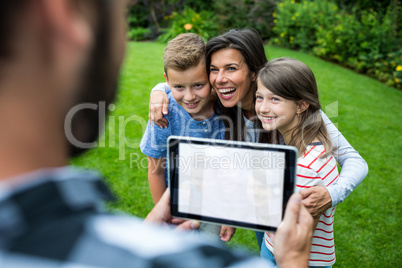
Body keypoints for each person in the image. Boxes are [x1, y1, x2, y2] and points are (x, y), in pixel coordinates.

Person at [0, 0, 314, 267]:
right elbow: (157, 159)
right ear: (62, 17)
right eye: (122, 14)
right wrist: (295, 261)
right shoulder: (195, 259)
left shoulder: (227, 103)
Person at [149, 28, 368, 248]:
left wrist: (332, 194)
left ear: (254, 71)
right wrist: (158, 90)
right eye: (214, 70)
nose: (220, 79)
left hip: (295, 214)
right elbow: (181, 84)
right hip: (258, 209)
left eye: (231, 68)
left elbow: (355, 160)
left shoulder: (288, 107)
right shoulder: (221, 101)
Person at [140, 33, 235, 242]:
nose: (190, 97)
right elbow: (155, 170)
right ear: (167, 80)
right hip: (175, 204)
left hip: (214, 206)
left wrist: (229, 212)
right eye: (179, 87)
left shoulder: (226, 107)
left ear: (210, 75)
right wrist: (164, 214)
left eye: (198, 85)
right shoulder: (163, 113)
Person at [255, 57, 340, 267]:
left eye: (275, 99)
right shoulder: (314, 146)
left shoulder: (305, 167)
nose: (263, 108)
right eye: (259, 97)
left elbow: (298, 239)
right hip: (277, 247)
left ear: (301, 105)